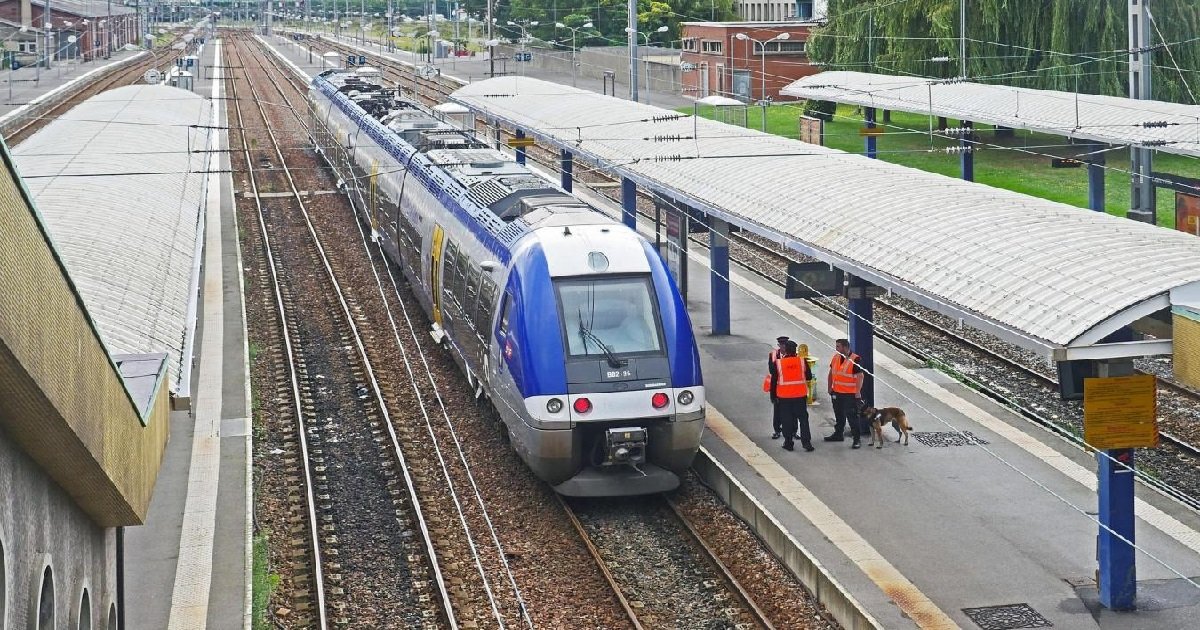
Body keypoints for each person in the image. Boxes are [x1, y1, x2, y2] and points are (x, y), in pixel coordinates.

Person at [770, 340, 814, 452]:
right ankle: (807, 443)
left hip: (784, 397)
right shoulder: (802, 361)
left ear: (785, 350)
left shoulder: (779, 363)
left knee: (786, 420)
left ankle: (788, 443)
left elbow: (774, 381)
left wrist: (773, 396)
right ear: (795, 350)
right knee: (803, 419)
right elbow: (809, 377)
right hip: (800, 396)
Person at [825, 338, 865, 448]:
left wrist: (857, 392)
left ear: (845, 347)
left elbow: (860, 377)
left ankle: (857, 440)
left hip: (850, 395)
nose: (836, 348)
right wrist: (829, 387)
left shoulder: (855, 359)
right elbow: (831, 373)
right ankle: (838, 434)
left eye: (838, 346)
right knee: (839, 415)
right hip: (836, 393)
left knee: (852, 417)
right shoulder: (836, 357)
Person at [765, 336, 789, 439]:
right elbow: (772, 371)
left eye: (785, 345)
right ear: (779, 345)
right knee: (777, 410)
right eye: (781, 345)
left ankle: (793, 431)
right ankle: (777, 430)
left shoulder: (793, 354)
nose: (783, 347)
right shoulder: (773, 355)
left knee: (791, 412)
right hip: (777, 387)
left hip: (789, 388)